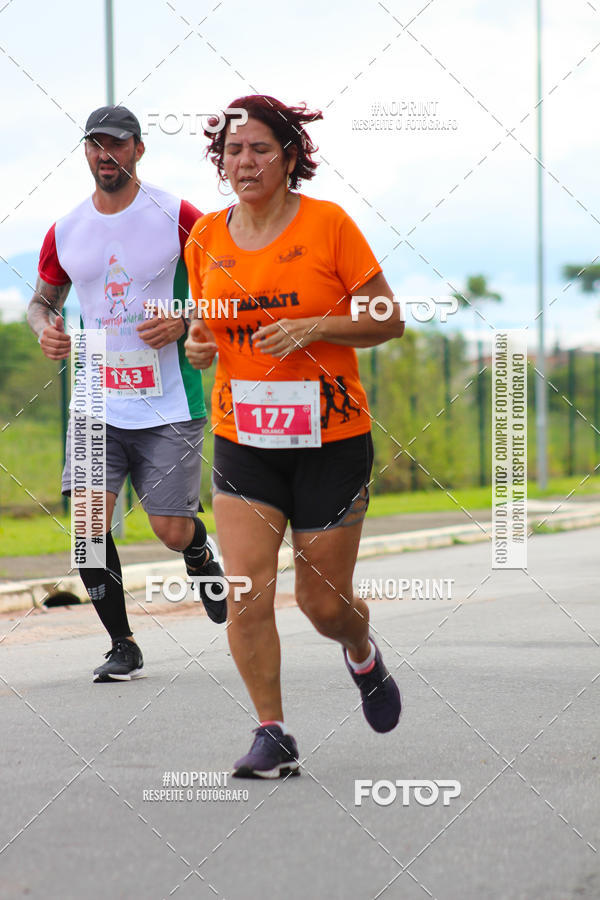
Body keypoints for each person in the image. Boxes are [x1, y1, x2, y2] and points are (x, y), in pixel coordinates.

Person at [184, 95, 405, 777]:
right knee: (246, 589)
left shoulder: (329, 225)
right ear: (219, 164)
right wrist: (198, 344)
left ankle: (361, 651)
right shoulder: (206, 241)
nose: (243, 161)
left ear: (288, 157)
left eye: (258, 149)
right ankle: (272, 733)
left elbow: (388, 318)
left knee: (322, 604)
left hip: (330, 442)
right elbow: (207, 328)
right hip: (245, 439)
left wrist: (318, 326)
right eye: (232, 151)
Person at [27, 105, 225, 684]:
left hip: (169, 398)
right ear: (85, 152)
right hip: (95, 394)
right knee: (89, 528)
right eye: (94, 145)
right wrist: (47, 329)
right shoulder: (65, 229)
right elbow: (42, 302)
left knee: (168, 527)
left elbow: (230, 286)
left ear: (138, 149)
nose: (104, 154)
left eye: (116, 144)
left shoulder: (178, 215)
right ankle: (123, 643)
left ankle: (197, 552)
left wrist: (186, 318)